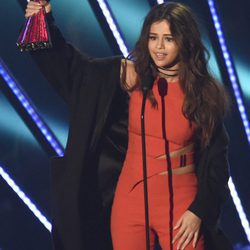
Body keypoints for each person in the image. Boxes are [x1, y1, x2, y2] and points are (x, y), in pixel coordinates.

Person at [25, 1, 233, 250]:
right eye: (153, 37)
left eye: (168, 38)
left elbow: (217, 162)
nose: (159, 47)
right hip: (130, 202)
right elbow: (73, 69)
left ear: (185, 41)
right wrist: (44, 22)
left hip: (181, 204)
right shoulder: (131, 78)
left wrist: (199, 211)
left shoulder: (203, 95)